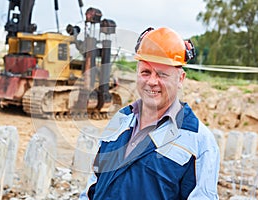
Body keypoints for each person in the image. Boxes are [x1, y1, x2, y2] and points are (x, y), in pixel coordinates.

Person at [79, 27, 220, 200]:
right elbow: (93, 183)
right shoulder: (120, 120)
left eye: (162, 74)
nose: (152, 81)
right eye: (146, 72)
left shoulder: (198, 141)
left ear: (180, 79)